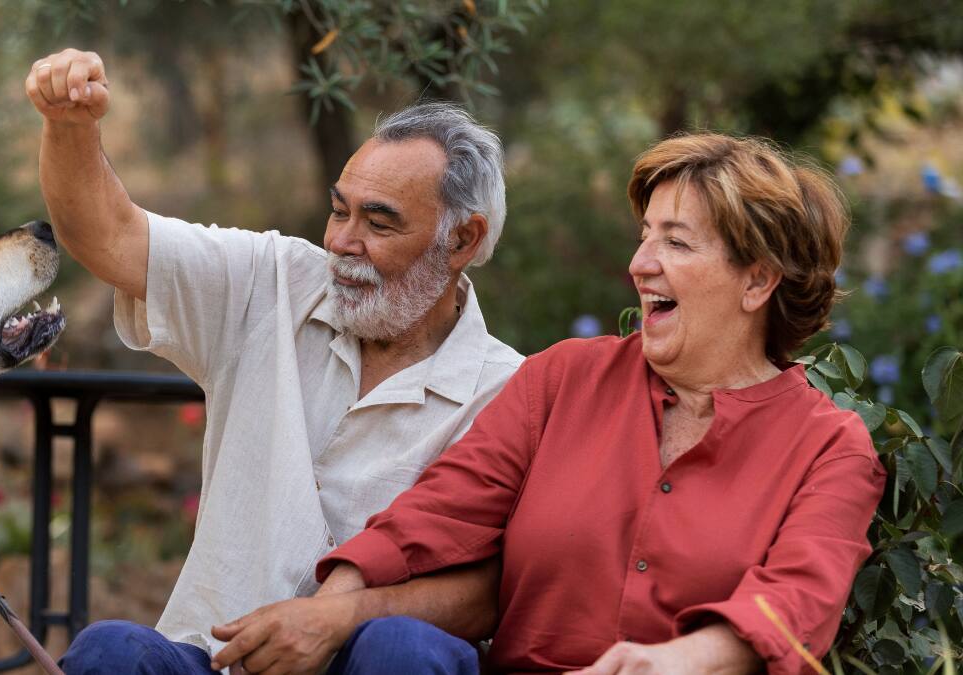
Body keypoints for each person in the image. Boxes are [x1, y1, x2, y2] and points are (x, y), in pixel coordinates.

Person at [213, 133, 886, 674]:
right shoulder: (563, 377)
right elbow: (438, 509)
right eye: (645, 234)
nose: (640, 262)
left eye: (675, 242)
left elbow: (798, 598)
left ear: (758, 281)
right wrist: (331, 611)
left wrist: (676, 660)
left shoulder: (831, 446)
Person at [22, 48, 524, 674]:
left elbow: (491, 591)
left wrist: (333, 621)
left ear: (463, 240)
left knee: (403, 650)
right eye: (339, 210)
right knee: (110, 651)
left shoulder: (509, 391)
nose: (342, 241)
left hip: (367, 664)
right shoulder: (274, 278)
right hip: (215, 658)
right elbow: (109, 236)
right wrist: (70, 126)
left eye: (379, 222)